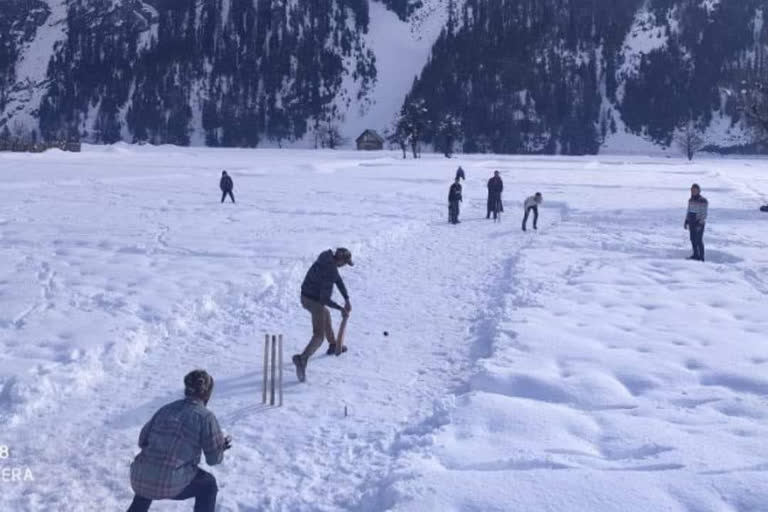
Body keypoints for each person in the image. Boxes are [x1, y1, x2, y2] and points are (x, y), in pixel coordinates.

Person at [127, 370, 231, 512]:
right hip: (169, 483)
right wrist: (220, 448)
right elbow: (213, 459)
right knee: (208, 485)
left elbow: (142, 440)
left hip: (139, 478)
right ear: (207, 393)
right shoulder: (206, 417)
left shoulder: (166, 409)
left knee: (150, 471)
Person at [293, 248, 354, 382]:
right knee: (319, 336)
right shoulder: (329, 270)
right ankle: (302, 359)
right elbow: (324, 300)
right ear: (340, 260)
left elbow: (338, 281)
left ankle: (333, 345)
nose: (345, 266)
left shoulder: (328, 260)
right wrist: (341, 309)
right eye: (345, 263)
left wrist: (346, 299)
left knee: (325, 313)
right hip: (311, 300)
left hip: (306, 295)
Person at [685, 183, 708, 261]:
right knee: (692, 239)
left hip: (699, 223)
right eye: (692, 190)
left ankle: (701, 257)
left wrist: (700, 223)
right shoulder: (690, 200)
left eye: (695, 190)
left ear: (699, 191)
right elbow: (688, 210)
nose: (694, 191)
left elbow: (704, 213)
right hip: (691, 221)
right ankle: (695, 255)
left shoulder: (703, 200)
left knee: (698, 240)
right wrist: (686, 220)